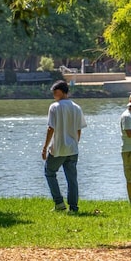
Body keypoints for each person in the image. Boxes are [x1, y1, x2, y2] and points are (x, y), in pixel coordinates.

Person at [42, 80, 87, 213]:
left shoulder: (55, 107)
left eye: (56, 92)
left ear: (62, 91)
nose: (54, 95)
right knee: (72, 179)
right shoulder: (77, 107)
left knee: (49, 173)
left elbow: (51, 128)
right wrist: (75, 143)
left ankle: (59, 203)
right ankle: (73, 207)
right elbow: (79, 130)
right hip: (73, 148)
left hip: (58, 148)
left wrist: (45, 147)